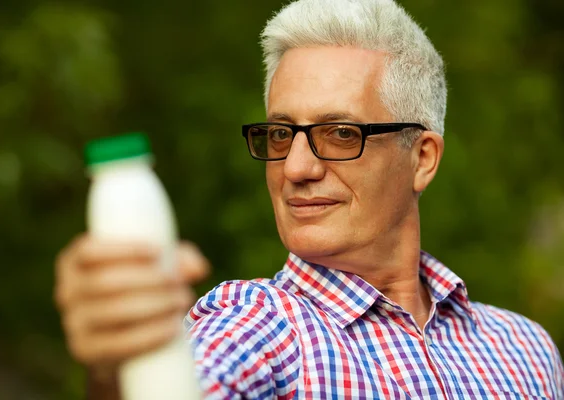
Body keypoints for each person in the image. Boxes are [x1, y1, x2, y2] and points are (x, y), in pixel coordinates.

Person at [55, 0, 564, 398]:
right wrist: (119, 370)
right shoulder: (258, 325)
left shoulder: (526, 349)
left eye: (341, 133)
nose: (295, 168)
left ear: (423, 158)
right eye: (280, 135)